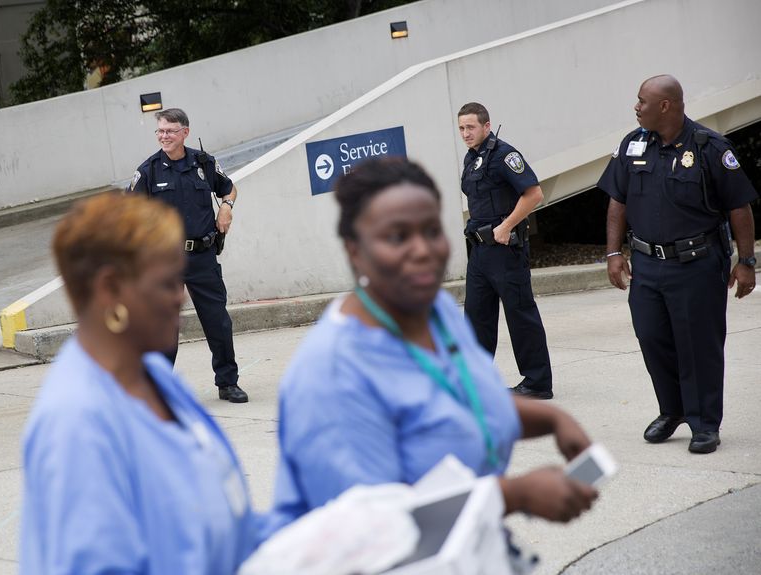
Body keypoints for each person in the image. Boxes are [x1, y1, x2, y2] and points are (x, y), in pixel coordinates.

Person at [264, 158, 597, 537]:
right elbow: (366, 532)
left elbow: (464, 400)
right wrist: (513, 495)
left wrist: (554, 421)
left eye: (432, 230)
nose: (422, 250)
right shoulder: (331, 373)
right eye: (397, 236)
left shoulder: (434, 310)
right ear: (354, 249)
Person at [20, 193, 259, 573]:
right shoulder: (76, 424)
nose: (180, 297)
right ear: (110, 288)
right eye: (166, 282)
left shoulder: (157, 378)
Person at [598, 74, 758, 454]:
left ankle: (704, 422)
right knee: (653, 338)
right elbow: (617, 201)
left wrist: (747, 261)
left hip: (697, 264)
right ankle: (672, 411)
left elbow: (739, 206)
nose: (636, 107)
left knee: (698, 344)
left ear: (665, 106)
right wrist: (613, 252)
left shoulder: (709, 147)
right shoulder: (633, 144)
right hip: (647, 265)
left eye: (642, 101)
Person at [129, 107, 246, 403]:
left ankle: (228, 383)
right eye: (160, 131)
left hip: (202, 256)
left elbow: (229, 188)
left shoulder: (203, 163)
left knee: (218, 321)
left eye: (169, 131)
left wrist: (226, 206)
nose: (163, 136)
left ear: (185, 132)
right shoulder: (148, 171)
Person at [458, 102, 554, 399]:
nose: (465, 133)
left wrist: (507, 225)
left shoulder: (504, 155)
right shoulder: (471, 158)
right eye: (461, 128)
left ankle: (537, 383)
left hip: (505, 249)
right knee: (476, 317)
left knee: (520, 314)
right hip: (479, 251)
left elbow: (534, 193)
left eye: (470, 127)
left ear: (486, 126)